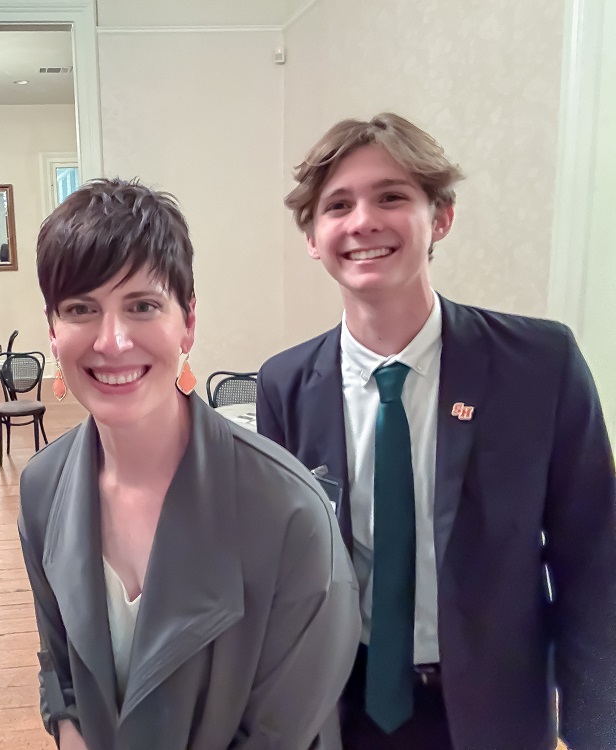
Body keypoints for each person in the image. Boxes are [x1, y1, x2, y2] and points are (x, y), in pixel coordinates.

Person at [256, 112, 616, 750]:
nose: (363, 221)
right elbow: (285, 577)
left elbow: (594, 562)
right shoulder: (284, 385)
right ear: (312, 237)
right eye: (337, 205)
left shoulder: (540, 365)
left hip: (494, 714)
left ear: (440, 217)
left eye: (391, 197)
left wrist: (597, 731)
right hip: (342, 710)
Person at [19, 177, 360, 750]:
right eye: (81, 309)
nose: (112, 341)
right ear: (53, 331)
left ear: (189, 322)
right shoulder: (41, 488)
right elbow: (61, 672)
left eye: (142, 306)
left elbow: (282, 733)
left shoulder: (289, 513)